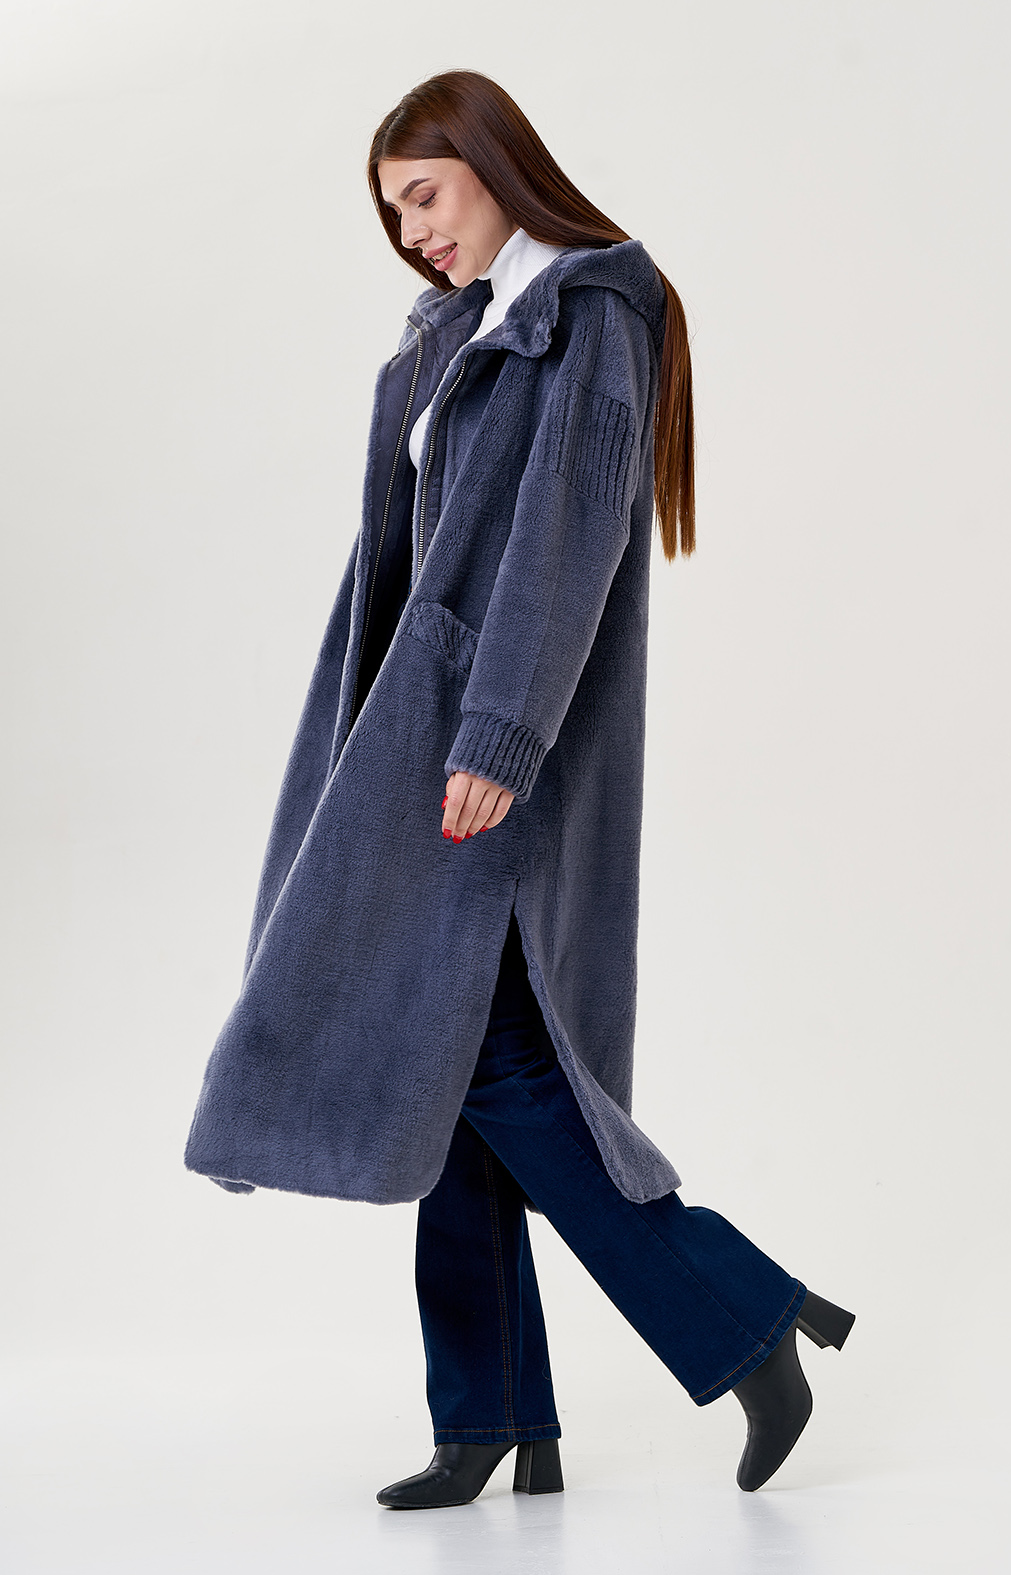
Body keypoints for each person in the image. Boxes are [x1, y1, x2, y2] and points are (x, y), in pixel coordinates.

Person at [183, 68, 855, 1509]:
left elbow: (568, 534)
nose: (413, 233)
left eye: (423, 196)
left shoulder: (590, 310)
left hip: (489, 747)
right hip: (417, 737)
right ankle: (490, 1416)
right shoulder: (471, 321)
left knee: (492, 1062)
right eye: (392, 216)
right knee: (453, 1071)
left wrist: (499, 736)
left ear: (493, 163)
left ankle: (744, 1318)